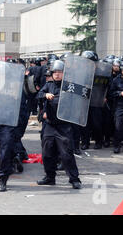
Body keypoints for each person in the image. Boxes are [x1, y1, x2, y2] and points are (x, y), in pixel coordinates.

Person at [36, 60, 82, 189]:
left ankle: (74, 179)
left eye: (59, 72)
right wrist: (45, 95)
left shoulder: (69, 86)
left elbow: (80, 98)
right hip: (50, 125)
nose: (57, 75)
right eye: (55, 72)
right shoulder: (48, 85)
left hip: (63, 125)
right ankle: (50, 177)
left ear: (64, 74)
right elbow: (38, 95)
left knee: (66, 154)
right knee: (47, 153)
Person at [108, 60, 123, 153]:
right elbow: (111, 93)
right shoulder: (116, 80)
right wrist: (119, 93)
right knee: (118, 125)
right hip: (120, 105)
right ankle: (116, 145)